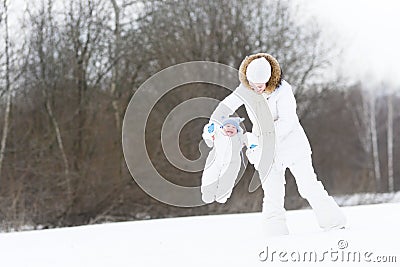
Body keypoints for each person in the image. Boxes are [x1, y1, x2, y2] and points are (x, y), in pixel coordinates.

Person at [207, 53, 346, 236]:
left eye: (260, 86)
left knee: (308, 185)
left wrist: (264, 138)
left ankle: (334, 222)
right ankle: (275, 233)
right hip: (265, 151)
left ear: (268, 80)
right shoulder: (245, 90)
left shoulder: (283, 90)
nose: (256, 89)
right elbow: (225, 107)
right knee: (272, 193)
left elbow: (288, 121)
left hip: (291, 144)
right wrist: (213, 126)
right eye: (253, 86)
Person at [201, 117, 259, 204]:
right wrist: (209, 132)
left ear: (237, 130)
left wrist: (253, 145)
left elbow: (249, 138)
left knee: (227, 179)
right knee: (210, 175)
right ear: (222, 128)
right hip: (215, 160)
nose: (230, 128)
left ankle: (222, 194)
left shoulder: (239, 138)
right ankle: (208, 193)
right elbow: (208, 136)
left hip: (232, 163)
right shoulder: (218, 134)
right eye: (227, 126)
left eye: (233, 127)